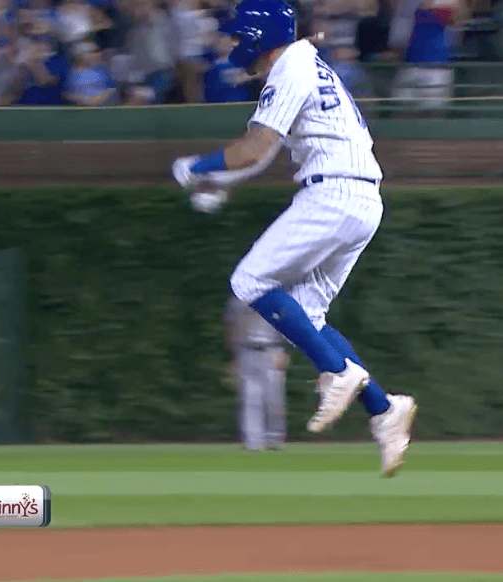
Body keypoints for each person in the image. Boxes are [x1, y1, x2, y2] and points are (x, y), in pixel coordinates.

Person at [171, 0, 416, 477]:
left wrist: (194, 167)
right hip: (360, 199)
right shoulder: (306, 62)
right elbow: (261, 154)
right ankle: (385, 410)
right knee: (307, 315)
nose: (234, 42)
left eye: (240, 34)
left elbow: (254, 148)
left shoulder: (289, 66)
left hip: (333, 194)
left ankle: (338, 371)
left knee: (249, 281)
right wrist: (219, 178)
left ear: (258, 36)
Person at [225, 295, 289, 451]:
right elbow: (231, 327)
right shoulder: (238, 300)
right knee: (250, 397)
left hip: (271, 349)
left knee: (274, 397)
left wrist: (285, 350)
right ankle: (253, 441)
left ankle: (274, 438)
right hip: (246, 350)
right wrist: (234, 356)